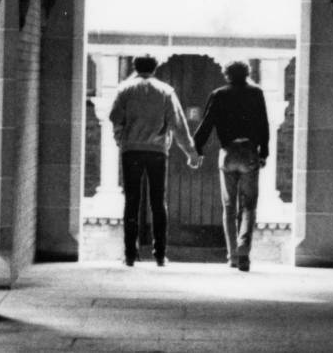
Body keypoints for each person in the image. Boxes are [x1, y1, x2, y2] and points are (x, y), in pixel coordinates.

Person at [109, 54, 202, 267]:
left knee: (131, 202)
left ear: (135, 66)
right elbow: (178, 124)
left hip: (131, 150)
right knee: (158, 202)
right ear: (155, 67)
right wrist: (191, 153)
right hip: (157, 152)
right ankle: (160, 254)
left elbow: (115, 118)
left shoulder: (124, 89)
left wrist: (121, 141)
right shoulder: (166, 91)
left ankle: (130, 254)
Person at [192, 60, 269, 272]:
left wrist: (196, 149)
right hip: (249, 150)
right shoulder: (256, 93)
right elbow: (264, 124)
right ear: (247, 74)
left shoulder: (219, 94)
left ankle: (232, 255)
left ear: (227, 75)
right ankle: (244, 250)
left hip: (228, 153)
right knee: (249, 205)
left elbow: (207, 124)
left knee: (229, 206)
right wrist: (264, 152)